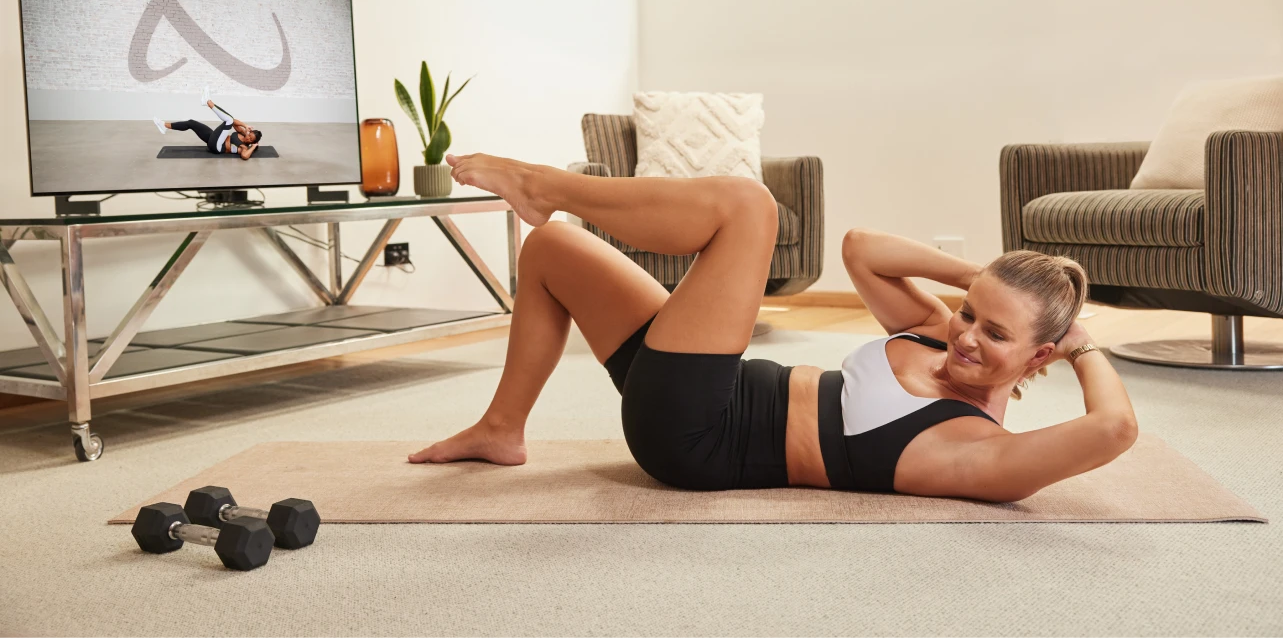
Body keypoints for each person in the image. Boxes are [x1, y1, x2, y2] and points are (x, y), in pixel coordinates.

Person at [411, 153, 1138, 502]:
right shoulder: (934, 334)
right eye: (970, 315)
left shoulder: (971, 448)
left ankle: (546, 186)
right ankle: (502, 428)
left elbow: (1112, 431)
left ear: (1040, 353)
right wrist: (984, 284)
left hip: (695, 438)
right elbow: (861, 248)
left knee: (746, 207)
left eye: (995, 335)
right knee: (550, 250)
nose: (967, 336)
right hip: (700, 383)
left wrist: (1084, 348)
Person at [155, 97, 262, 160]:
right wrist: (245, 126)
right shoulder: (242, 133)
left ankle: (209, 102)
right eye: (249, 135)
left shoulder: (244, 147)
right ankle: (164, 126)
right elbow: (234, 121)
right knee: (191, 123)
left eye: (251, 140)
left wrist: (253, 147)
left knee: (228, 120)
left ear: (252, 142)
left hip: (217, 147)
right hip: (214, 139)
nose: (248, 138)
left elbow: (245, 156)